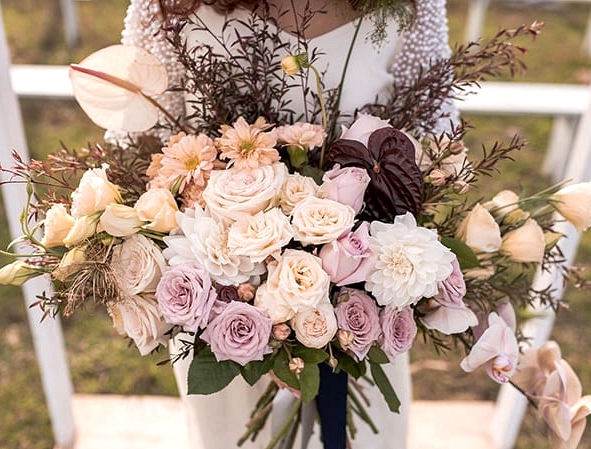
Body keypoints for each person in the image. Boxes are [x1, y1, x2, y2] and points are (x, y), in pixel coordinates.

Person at [110, 1, 457, 448]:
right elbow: (143, 149)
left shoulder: (410, 7)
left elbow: (437, 149)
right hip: (220, 307)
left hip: (366, 307)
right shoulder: (169, 8)